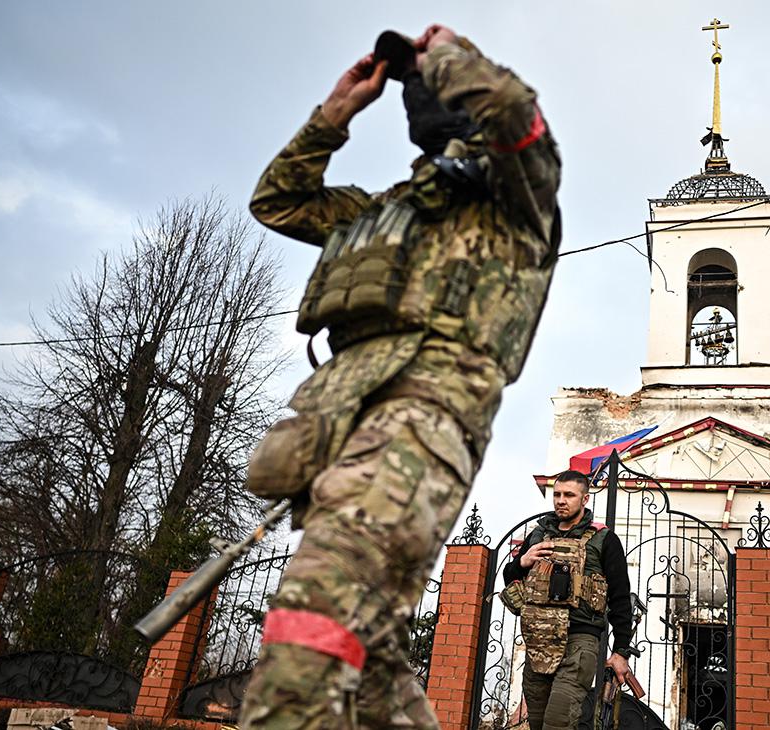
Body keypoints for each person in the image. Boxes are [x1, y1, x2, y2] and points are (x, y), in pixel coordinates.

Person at [237, 24, 561, 730]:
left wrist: (447, 57)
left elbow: (509, 109)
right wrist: (335, 113)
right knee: (370, 659)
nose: (423, 89)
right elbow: (278, 203)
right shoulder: (384, 208)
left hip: (426, 418)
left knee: (315, 612)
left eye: (430, 82)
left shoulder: (518, 198)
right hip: (338, 427)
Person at [502, 471, 634, 730]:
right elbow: (508, 576)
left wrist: (621, 651)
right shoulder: (539, 535)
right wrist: (522, 561)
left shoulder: (604, 539)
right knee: (538, 723)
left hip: (579, 640)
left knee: (559, 721)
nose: (561, 501)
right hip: (539, 640)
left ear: (584, 498)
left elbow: (620, 597)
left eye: (569, 495)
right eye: (557, 494)